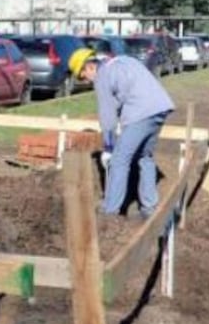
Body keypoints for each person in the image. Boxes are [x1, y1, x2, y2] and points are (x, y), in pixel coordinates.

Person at [69, 47, 176, 219]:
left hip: (141, 112)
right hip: (160, 107)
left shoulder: (102, 76)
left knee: (119, 160)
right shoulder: (123, 61)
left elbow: (107, 117)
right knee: (145, 156)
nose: (86, 81)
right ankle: (149, 207)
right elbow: (125, 92)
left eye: (83, 76)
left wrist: (109, 146)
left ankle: (110, 211)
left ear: (89, 67)